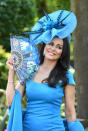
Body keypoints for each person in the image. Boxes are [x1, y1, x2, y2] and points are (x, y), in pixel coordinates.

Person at [6, 10, 84, 131]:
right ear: (44, 45)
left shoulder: (66, 75)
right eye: (51, 43)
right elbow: (11, 102)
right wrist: (11, 72)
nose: (53, 49)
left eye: (59, 47)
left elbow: (70, 113)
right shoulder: (29, 70)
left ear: (63, 52)